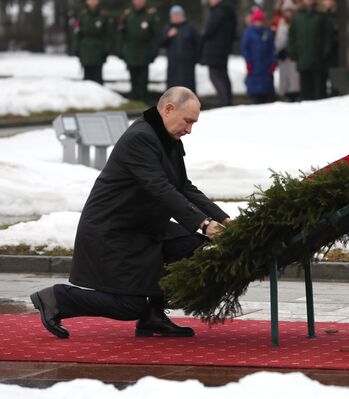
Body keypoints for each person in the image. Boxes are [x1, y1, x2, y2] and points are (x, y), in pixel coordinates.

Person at [30, 87, 230, 339]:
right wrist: (203, 222)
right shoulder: (141, 137)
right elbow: (160, 188)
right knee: (128, 306)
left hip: (143, 227)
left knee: (187, 243)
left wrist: (224, 220)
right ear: (169, 109)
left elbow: (183, 186)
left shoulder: (167, 138)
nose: (190, 129)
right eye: (188, 121)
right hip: (113, 232)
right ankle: (56, 298)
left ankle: (153, 317)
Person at [288, 0, 331, 100]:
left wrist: (325, 52)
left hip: (318, 60)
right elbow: (291, 36)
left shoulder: (322, 16)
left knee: (319, 91)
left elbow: (327, 36)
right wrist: (293, 52)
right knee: (306, 91)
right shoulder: (297, 17)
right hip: (303, 59)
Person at [118, 0, 159, 102]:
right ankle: (134, 97)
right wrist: (120, 49)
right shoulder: (127, 14)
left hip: (145, 49)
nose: (139, 2)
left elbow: (155, 35)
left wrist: (154, 50)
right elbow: (121, 33)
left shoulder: (151, 14)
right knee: (133, 74)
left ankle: (143, 98)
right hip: (131, 50)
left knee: (143, 75)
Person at [199, 0, 237, 107]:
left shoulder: (219, 11)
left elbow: (209, 30)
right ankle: (226, 99)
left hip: (216, 48)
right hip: (224, 48)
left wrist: (203, 36)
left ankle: (224, 101)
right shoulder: (228, 11)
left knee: (215, 75)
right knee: (222, 74)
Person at [159, 5, 200, 92]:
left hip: (188, 63)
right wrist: (168, 36)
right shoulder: (167, 27)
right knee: (173, 86)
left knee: (188, 86)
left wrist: (196, 58)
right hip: (173, 63)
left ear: (183, 15)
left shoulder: (190, 27)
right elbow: (161, 43)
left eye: (178, 14)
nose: (177, 17)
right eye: (174, 15)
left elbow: (198, 43)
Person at [241, 9, 276, 104]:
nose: (259, 23)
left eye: (260, 21)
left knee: (266, 87)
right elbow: (245, 49)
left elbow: (272, 49)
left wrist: (273, 63)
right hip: (254, 64)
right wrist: (248, 62)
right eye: (257, 21)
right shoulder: (249, 33)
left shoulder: (267, 32)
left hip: (266, 65)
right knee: (255, 87)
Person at [72, 0, 111, 84]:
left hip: (98, 49)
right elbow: (77, 34)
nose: (92, 2)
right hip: (85, 49)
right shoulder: (82, 16)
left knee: (98, 75)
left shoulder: (103, 16)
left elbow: (108, 35)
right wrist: (76, 48)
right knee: (87, 76)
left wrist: (106, 49)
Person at [274, 0, 300, 101]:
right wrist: (278, 50)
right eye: (286, 11)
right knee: (285, 79)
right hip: (283, 55)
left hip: (293, 55)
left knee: (295, 79)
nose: (288, 13)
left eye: (290, 11)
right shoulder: (281, 22)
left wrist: (290, 49)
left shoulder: (296, 21)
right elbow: (279, 39)